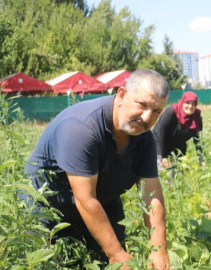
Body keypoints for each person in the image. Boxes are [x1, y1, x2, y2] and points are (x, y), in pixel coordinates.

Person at [23, 69, 170, 270]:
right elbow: (85, 199)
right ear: (121, 95)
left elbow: (151, 194)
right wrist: (116, 254)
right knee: (46, 265)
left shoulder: (144, 138)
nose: (146, 118)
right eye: (142, 104)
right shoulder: (81, 128)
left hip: (100, 201)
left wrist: (158, 247)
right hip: (46, 206)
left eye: (156, 111)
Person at [152, 91, 204, 174]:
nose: (190, 106)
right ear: (182, 102)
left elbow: (198, 141)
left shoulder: (197, 118)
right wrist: (164, 156)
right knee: (167, 177)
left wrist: (201, 159)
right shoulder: (171, 113)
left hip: (178, 147)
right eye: (187, 103)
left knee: (180, 175)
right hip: (160, 144)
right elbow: (162, 134)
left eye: (193, 104)